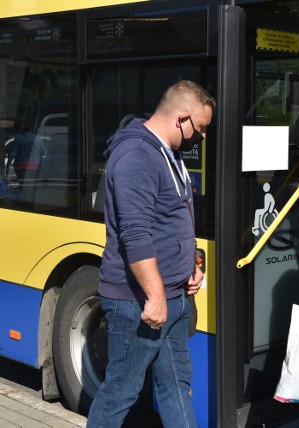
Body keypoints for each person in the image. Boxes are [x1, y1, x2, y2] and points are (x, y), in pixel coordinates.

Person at [87, 80, 215, 427]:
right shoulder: (136, 156)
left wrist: (193, 263)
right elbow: (135, 233)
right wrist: (155, 295)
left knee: (176, 386)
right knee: (121, 391)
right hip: (138, 301)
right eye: (201, 128)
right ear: (181, 118)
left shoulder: (166, 153)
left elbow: (172, 219)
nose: (202, 137)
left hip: (172, 295)